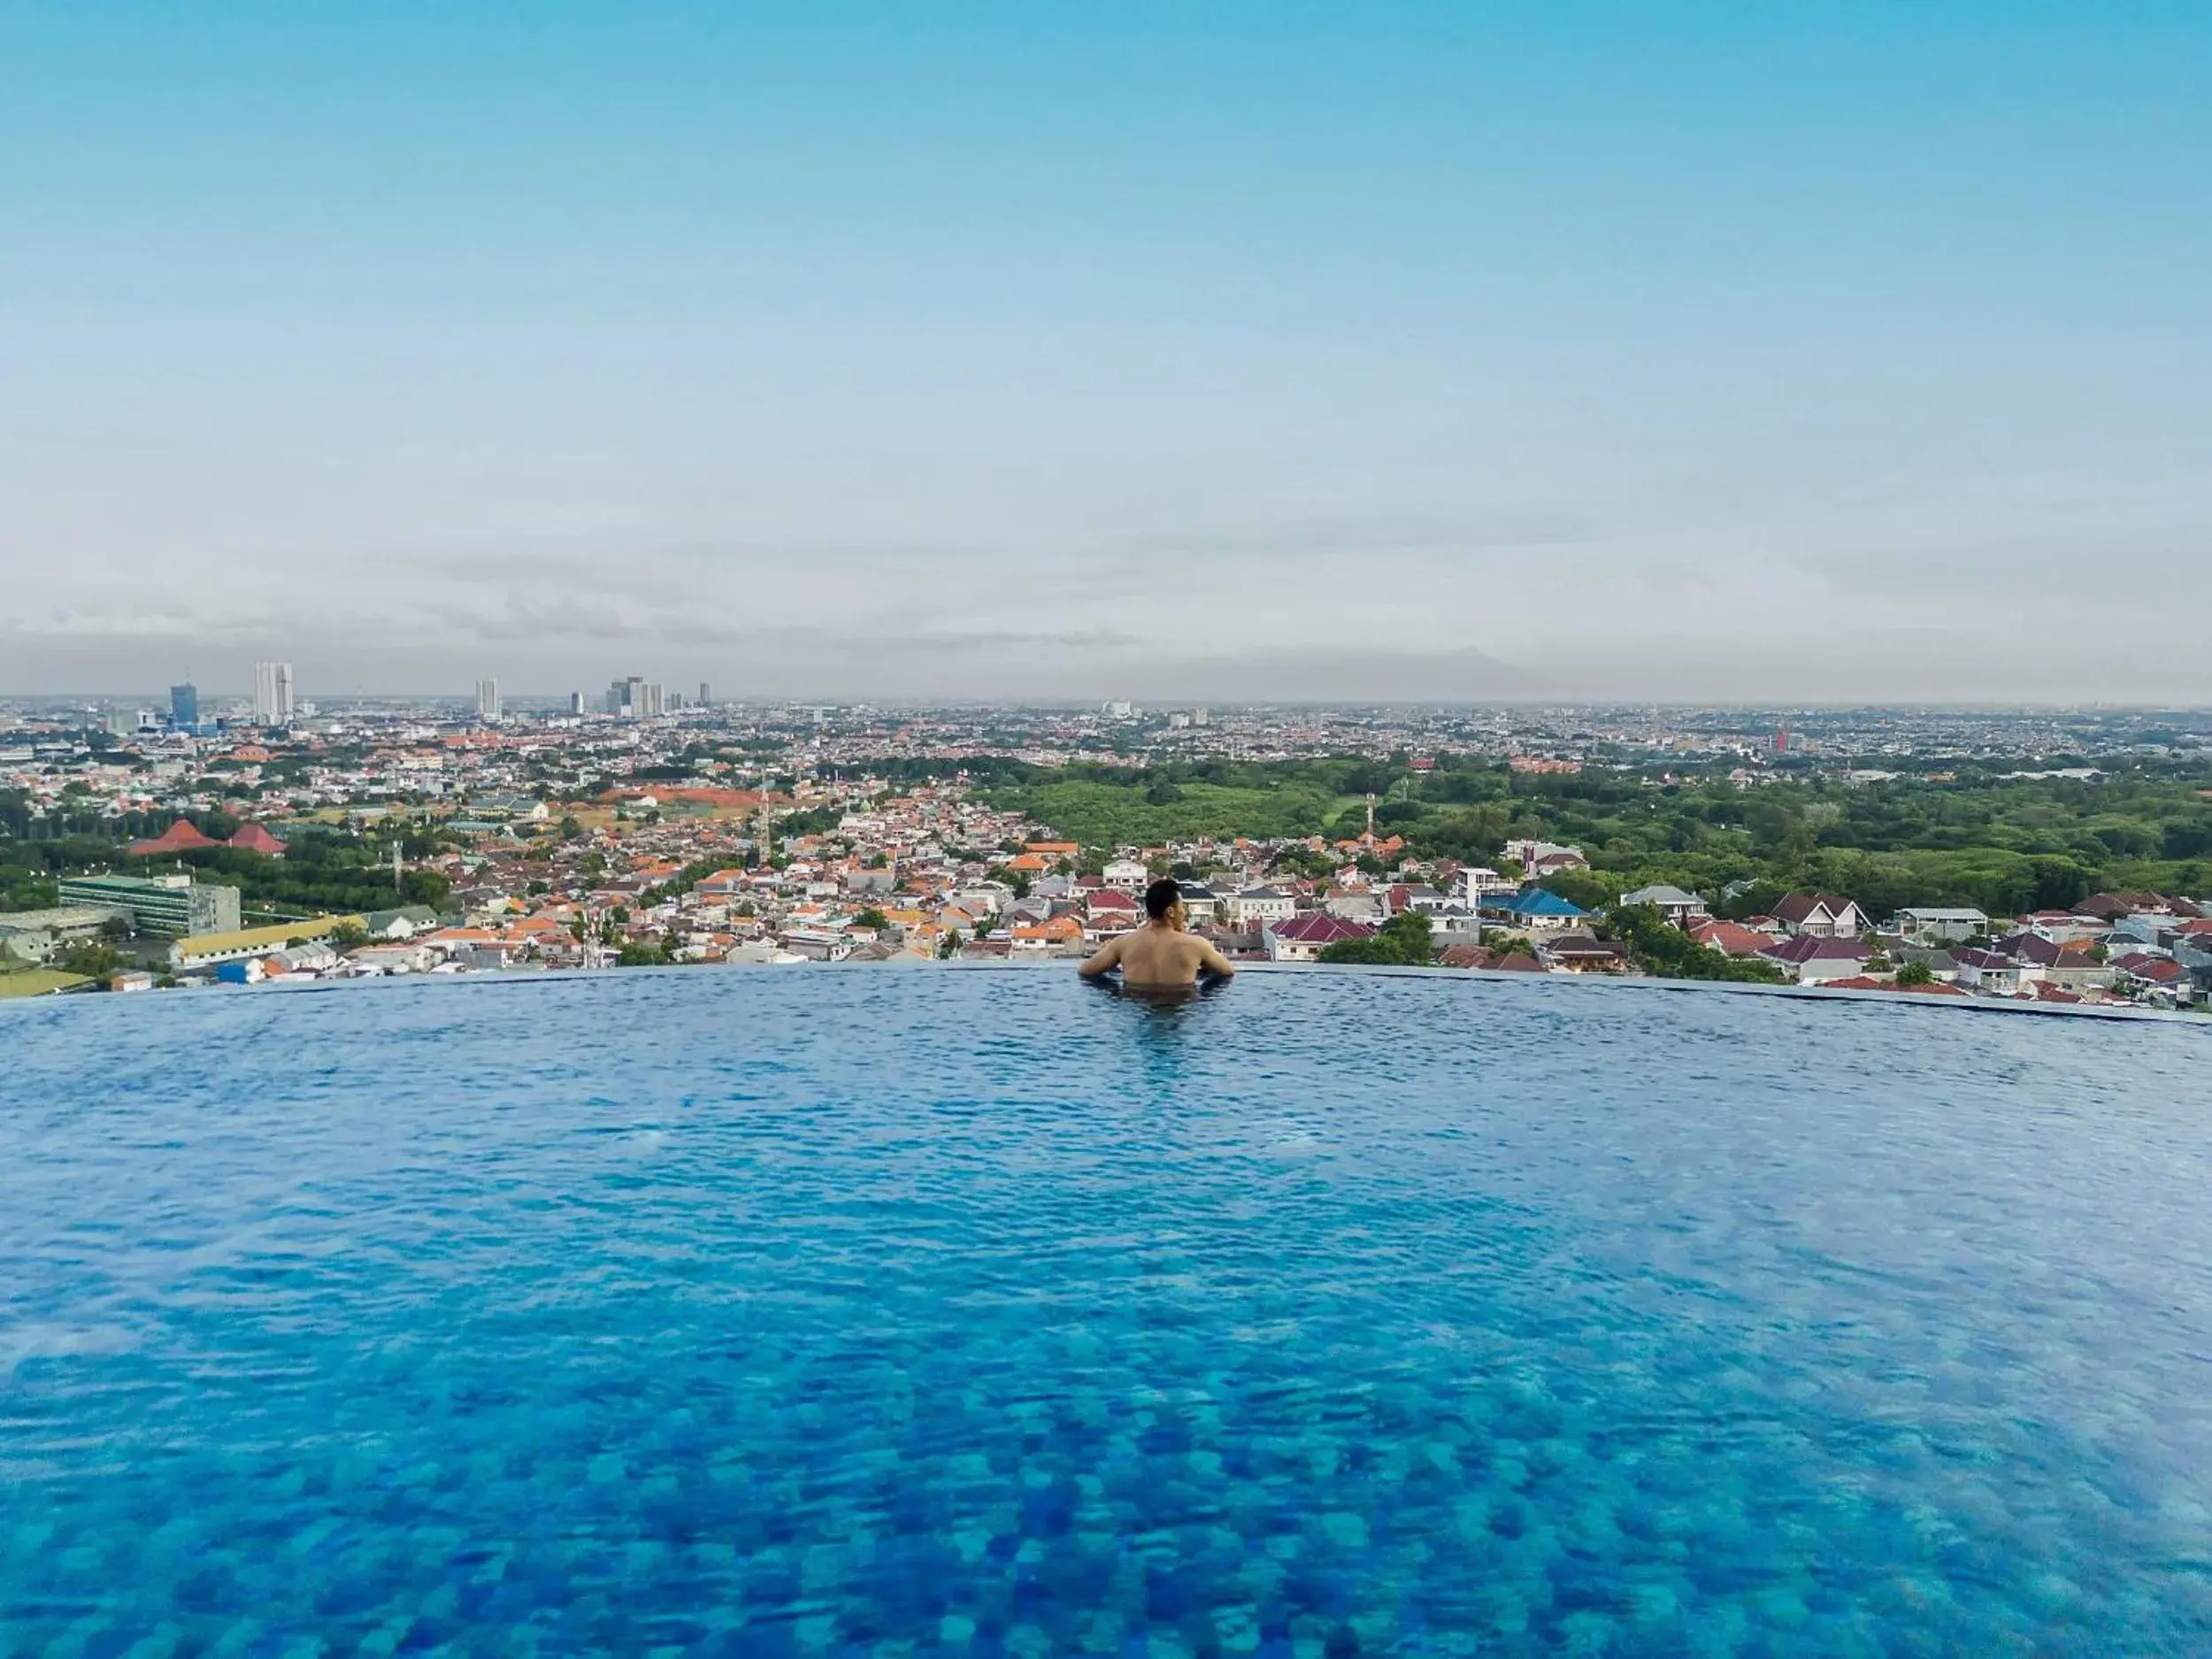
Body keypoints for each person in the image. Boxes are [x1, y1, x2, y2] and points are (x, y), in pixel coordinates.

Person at [1078, 878, 1237, 987]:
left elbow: (1085, 971)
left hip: (1137, 1006)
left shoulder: (1123, 943)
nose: (1184, 912)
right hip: (1179, 1006)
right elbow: (1227, 971)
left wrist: (1114, 972)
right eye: (1182, 906)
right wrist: (1201, 970)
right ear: (1171, 911)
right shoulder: (1197, 945)